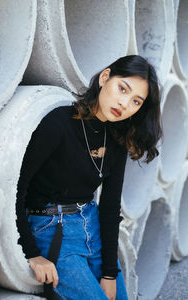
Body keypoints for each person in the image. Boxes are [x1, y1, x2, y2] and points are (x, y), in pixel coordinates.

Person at [16, 55, 162, 300]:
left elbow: (110, 205)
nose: (125, 103)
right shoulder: (59, 123)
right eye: (122, 88)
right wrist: (32, 253)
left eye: (136, 101)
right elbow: (18, 188)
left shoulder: (117, 139)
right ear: (105, 77)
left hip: (92, 225)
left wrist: (109, 272)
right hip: (52, 229)